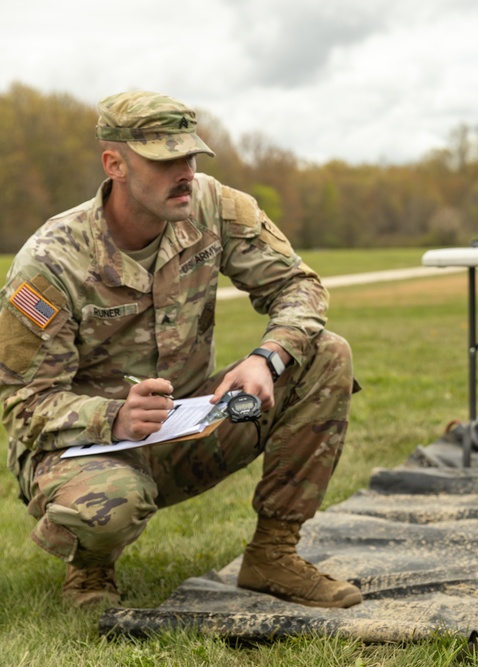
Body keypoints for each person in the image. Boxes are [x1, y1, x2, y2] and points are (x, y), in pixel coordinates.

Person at [0, 91, 362, 610]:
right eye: (164, 160)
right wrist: (115, 418)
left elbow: (299, 286)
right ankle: (90, 571)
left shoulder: (213, 206)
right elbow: (23, 403)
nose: (185, 171)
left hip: (190, 427)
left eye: (189, 155)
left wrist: (267, 358)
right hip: (84, 452)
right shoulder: (51, 261)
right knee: (110, 506)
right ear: (115, 164)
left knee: (326, 354)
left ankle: (273, 555)